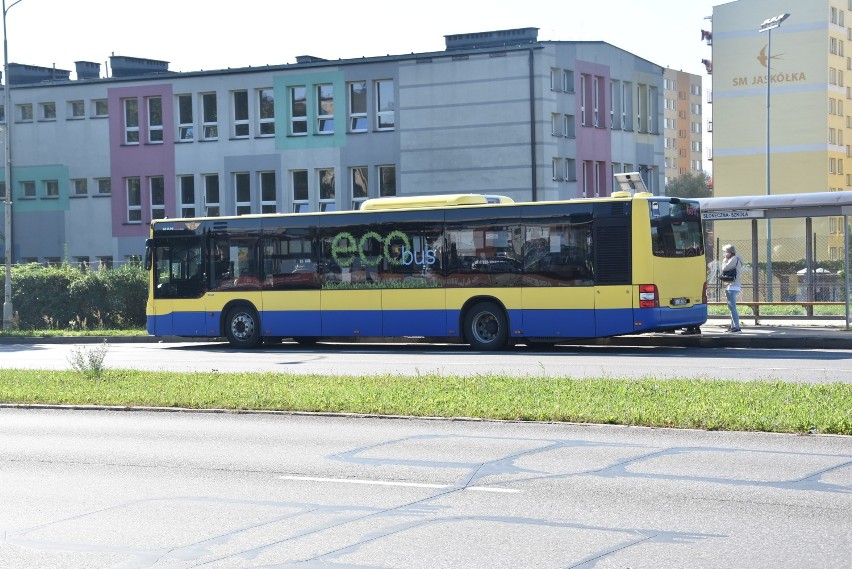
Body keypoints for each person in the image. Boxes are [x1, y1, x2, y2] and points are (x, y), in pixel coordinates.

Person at [721, 244, 743, 332]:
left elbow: (724, 268)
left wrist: (725, 259)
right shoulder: (736, 259)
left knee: (732, 307)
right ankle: (733, 326)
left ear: (729, 252)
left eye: (725, 252)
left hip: (732, 286)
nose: (724, 254)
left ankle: (737, 327)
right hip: (733, 286)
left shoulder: (733, 259)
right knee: (731, 307)